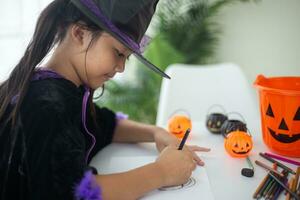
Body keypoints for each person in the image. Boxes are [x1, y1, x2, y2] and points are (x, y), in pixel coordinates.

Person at [0, 0, 210, 199]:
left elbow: (103, 124)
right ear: (80, 33)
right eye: (118, 53)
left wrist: (156, 132)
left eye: (125, 58)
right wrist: (162, 172)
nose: (121, 67)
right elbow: (73, 193)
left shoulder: (62, 90)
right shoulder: (46, 105)